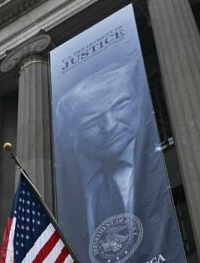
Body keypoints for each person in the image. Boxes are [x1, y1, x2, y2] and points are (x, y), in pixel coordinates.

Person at [53, 62, 148, 241]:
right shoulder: (65, 187)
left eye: (120, 106)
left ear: (138, 100)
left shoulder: (153, 160)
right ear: (70, 137)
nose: (110, 126)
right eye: (91, 121)